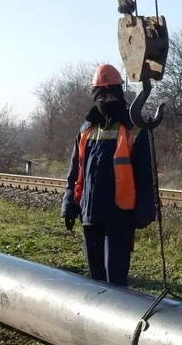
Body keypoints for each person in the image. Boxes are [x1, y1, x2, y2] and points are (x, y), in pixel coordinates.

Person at [61, 63, 157, 287]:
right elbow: (75, 172)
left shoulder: (134, 130)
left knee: (115, 280)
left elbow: (145, 177)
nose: (106, 101)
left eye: (111, 96)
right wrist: (69, 205)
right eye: (101, 96)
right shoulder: (86, 130)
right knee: (95, 280)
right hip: (89, 216)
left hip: (120, 217)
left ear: (120, 95)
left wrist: (145, 210)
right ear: (95, 96)